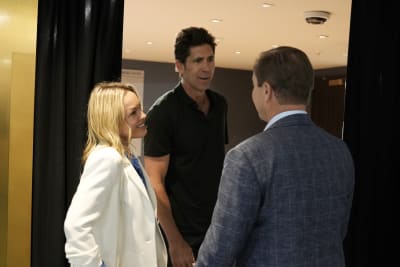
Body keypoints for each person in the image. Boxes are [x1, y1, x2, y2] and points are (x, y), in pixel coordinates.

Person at [196, 46, 355, 266]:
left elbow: (221, 248)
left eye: (254, 86)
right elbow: (339, 230)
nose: (253, 93)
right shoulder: (340, 151)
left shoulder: (247, 157)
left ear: (267, 91)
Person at [143, 27, 228, 267]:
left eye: (210, 59)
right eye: (198, 60)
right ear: (179, 66)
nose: (206, 67)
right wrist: (175, 241)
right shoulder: (163, 112)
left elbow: (214, 165)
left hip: (216, 230)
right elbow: (154, 183)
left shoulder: (220, 105)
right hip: (182, 235)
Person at [64, 82, 167, 267]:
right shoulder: (107, 158)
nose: (144, 116)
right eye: (133, 113)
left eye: (141, 109)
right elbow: (76, 225)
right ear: (112, 119)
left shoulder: (128, 158)